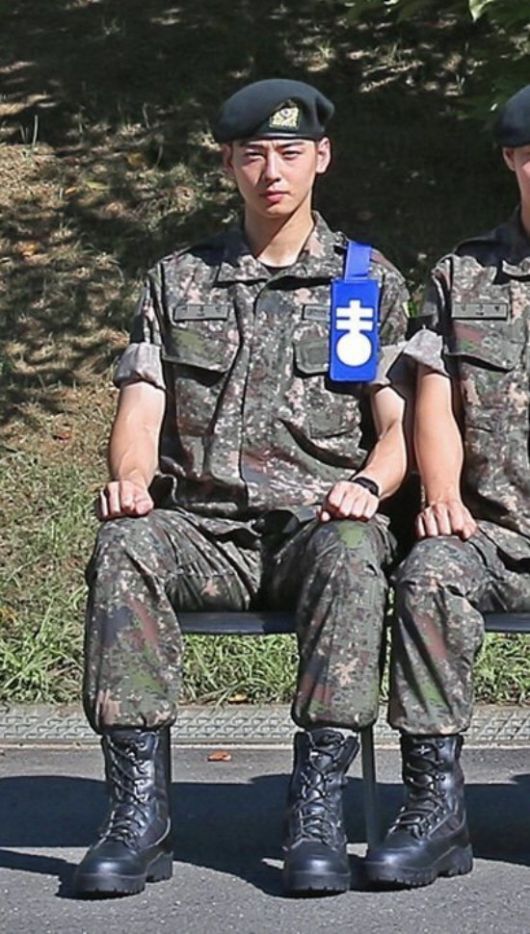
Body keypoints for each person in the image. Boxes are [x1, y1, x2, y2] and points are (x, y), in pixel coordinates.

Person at [73, 78, 410, 899]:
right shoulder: (177, 281)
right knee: (125, 543)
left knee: (355, 551)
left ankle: (318, 808)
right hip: (204, 532)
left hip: (316, 524)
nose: (272, 172)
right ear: (227, 162)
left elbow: (400, 424)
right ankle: (137, 813)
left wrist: (369, 484)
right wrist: (130, 482)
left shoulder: (362, 282)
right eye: (253, 154)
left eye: (290, 153)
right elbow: (141, 406)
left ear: (321, 158)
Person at [365, 83, 530, 888]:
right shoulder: (463, 275)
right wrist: (442, 495)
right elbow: (433, 398)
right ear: (513, 160)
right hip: (493, 533)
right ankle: (436, 805)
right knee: (428, 573)